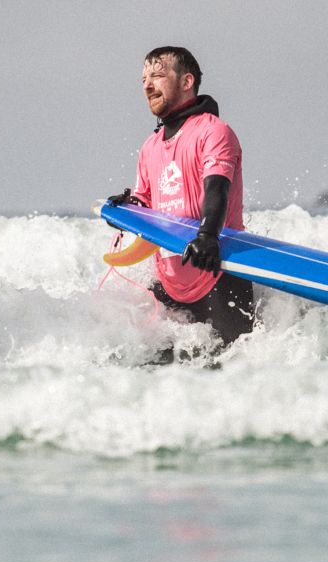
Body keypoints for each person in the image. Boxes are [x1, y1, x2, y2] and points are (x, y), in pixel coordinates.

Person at [106, 46, 254, 348]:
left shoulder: (214, 132)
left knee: (237, 372)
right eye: (144, 79)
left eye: (158, 76)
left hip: (218, 271)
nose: (148, 85)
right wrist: (127, 209)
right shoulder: (151, 145)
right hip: (170, 281)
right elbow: (147, 205)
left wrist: (208, 237)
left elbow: (217, 188)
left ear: (187, 82)